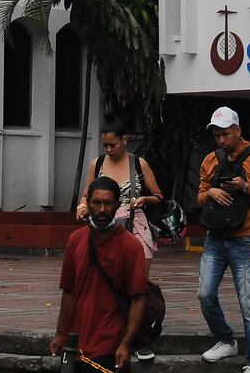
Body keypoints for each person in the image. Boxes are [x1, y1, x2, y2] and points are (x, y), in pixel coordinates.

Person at [196, 106, 250, 373]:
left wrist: (245, 187)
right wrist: (211, 194)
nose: (221, 140)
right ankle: (225, 339)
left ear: (238, 131)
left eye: (225, 134)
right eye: (217, 135)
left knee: (249, 302)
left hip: (245, 238)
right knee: (205, 293)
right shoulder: (210, 159)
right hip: (215, 237)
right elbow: (199, 195)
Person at [77, 115, 164, 361]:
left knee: (138, 284)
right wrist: (82, 206)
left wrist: (144, 199)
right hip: (106, 228)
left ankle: (141, 338)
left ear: (124, 140)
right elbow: (86, 195)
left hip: (135, 225)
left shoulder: (139, 164)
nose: (109, 149)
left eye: (113, 144)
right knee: (108, 282)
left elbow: (158, 195)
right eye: (105, 145)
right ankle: (112, 333)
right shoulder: (98, 163)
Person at [51, 177, 147, 373]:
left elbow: (138, 299)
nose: (102, 209)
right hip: (75, 340)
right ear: (88, 204)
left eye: (108, 203)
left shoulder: (131, 246)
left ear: (118, 205)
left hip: (108, 341)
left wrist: (125, 344)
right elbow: (68, 291)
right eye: (96, 203)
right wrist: (60, 333)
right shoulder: (75, 240)